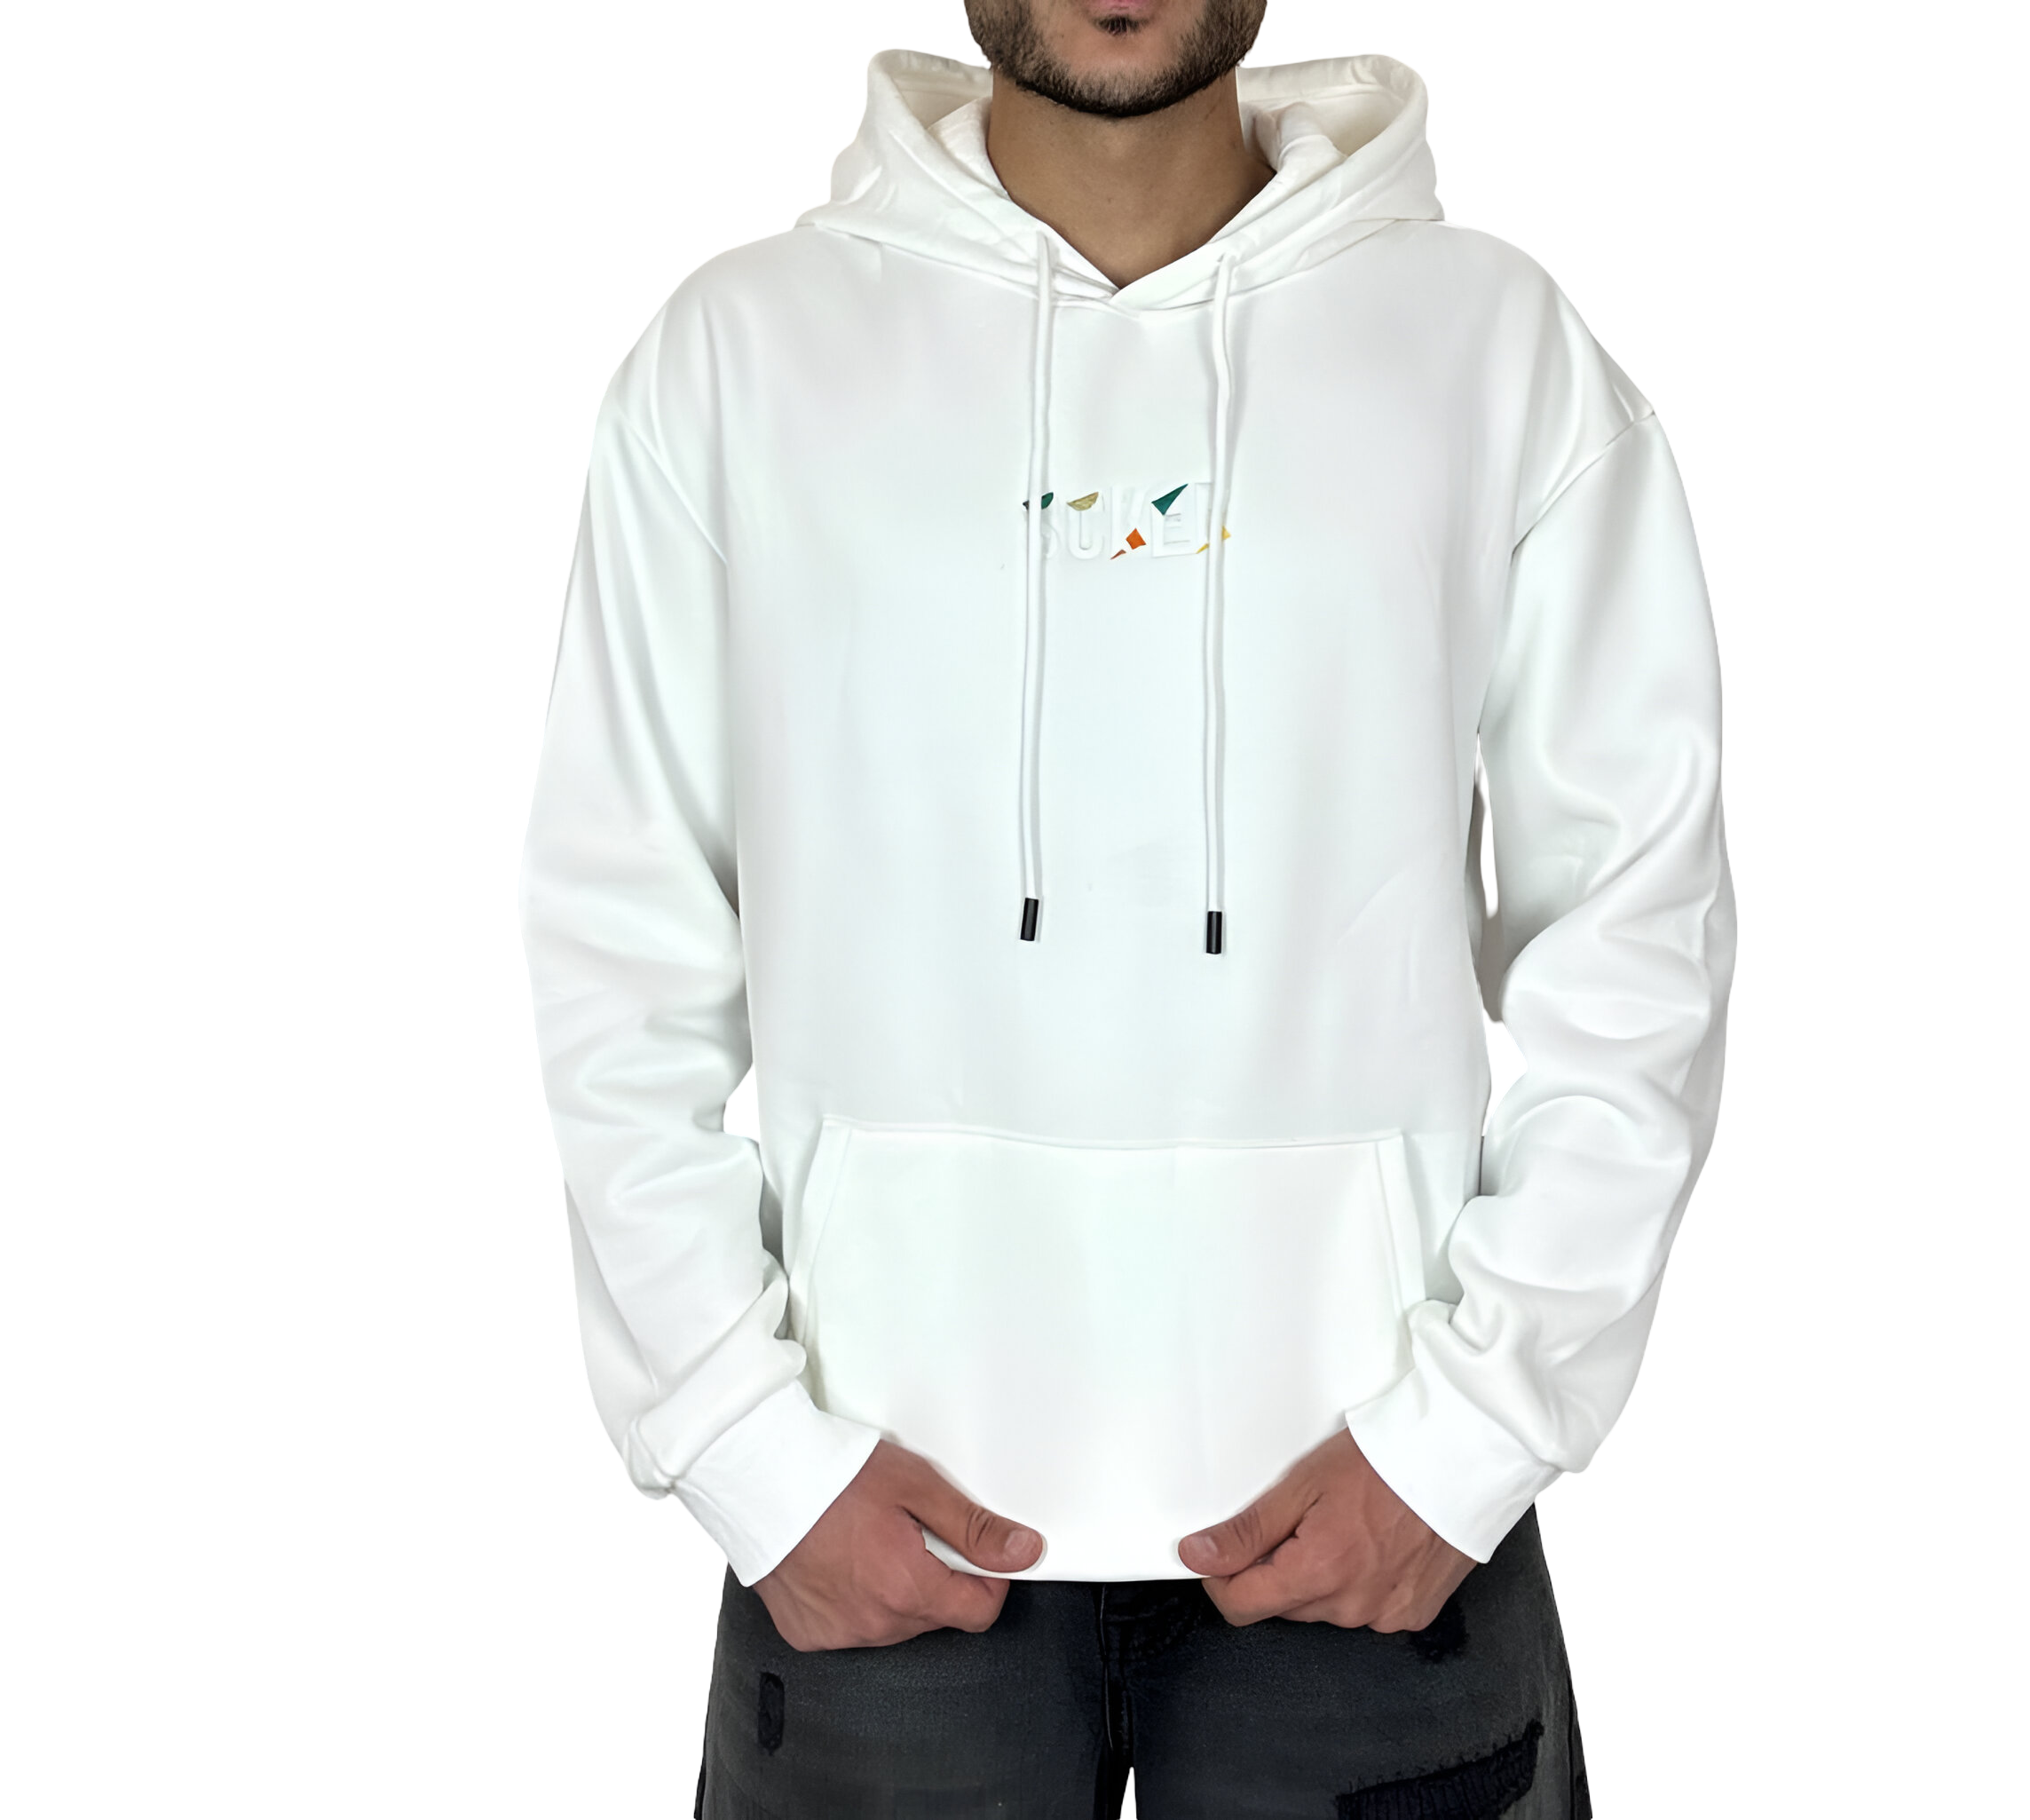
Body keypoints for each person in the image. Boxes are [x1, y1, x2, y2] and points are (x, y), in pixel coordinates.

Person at [517, 2, 1734, 1811]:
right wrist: (740, 1442)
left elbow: (1637, 916)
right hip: (873, 1504)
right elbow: (615, 933)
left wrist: (1476, 1429)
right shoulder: (738, 352)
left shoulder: (1492, 343)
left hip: (1383, 1514)